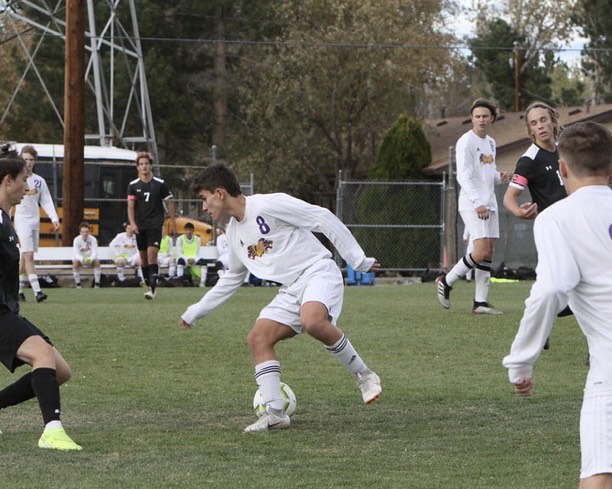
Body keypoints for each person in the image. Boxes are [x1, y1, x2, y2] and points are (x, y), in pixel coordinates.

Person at [179, 164, 382, 433]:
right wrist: (196, 311)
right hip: (291, 289)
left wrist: (357, 259)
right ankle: (275, 413)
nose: (204, 207)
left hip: (317, 271)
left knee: (312, 321)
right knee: (258, 338)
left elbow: (321, 216)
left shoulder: (268, 204)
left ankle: (364, 375)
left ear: (219, 193)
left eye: (203, 199)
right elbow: (232, 277)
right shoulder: (233, 233)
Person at [502, 121, 612, 489]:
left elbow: (551, 289)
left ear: (562, 168)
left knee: (598, 477)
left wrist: (520, 361)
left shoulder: (558, 217)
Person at [0, 145, 81, 450]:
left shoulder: (6, 219)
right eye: (24, 179)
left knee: (60, 372)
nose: (29, 185)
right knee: (42, 355)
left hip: (8, 309)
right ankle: (52, 430)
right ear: (8, 180)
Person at [503, 101, 571, 350]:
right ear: (530, 130)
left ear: (553, 121)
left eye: (543, 120)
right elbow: (509, 197)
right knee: (571, 288)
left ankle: (541, 316)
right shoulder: (528, 160)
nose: (540, 126)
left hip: (577, 225)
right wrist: (519, 212)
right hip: (554, 231)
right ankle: (540, 315)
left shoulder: (567, 149)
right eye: (534, 123)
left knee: (586, 284)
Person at [435, 99, 510, 314]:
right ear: (472, 118)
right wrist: (477, 202)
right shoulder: (465, 142)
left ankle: (480, 303)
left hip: (490, 203)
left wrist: (500, 176)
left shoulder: (491, 143)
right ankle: (446, 281)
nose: (481, 120)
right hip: (473, 203)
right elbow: (464, 176)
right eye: (477, 116)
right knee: (480, 250)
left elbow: (487, 172)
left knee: (489, 252)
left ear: (492, 118)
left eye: (485, 116)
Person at [12, 145, 60, 304]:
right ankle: (38, 291)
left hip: (34, 220)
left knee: (23, 258)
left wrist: (54, 218)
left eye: (31, 159)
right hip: (22, 220)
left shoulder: (39, 181)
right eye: (25, 159)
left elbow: (45, 200)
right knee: (28, 255)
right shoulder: (16, 179)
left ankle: (18, 290)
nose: (28, 162)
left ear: (35, 161)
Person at [127, 151, 176, 300]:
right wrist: (133, 223)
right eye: (141, 164)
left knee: (151, 255)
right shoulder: (133, 185)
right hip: (140, 226)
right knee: (143, 258)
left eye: (146, 164)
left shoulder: (160, 184)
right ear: (138, 167)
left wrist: (173, 223)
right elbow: (130, 206)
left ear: (151, 166)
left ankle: (152, 290)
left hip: (155, 224)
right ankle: (148, 284)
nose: (144, 167)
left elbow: (169, 202)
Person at [72, 221, 101, 289]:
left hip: (90, 260)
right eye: (83, 232)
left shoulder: (93, 239)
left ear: (89, 232)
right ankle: (78, 285)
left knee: (97, 261)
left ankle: (97, 284)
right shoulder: (76, 240)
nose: (85, 233)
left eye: (87, 231)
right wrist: (82, 259)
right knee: (75, 262)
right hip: (80, 260)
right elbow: (75, 253)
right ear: (80, 232)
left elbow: (95, 252)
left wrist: (90, 258)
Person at [176, 222, 206, 287]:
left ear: (193, 231)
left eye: (190, 230)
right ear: (184, 231)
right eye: (187, 230)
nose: (188, 232)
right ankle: (180, 282)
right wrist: (187, 259)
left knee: (203, 262)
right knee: (180, 261)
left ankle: (202, 283)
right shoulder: (180, 239)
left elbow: (198, 252)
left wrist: (194, 259)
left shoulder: (197, 239)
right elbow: (179, 253)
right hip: (184, 258)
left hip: (194, 258)